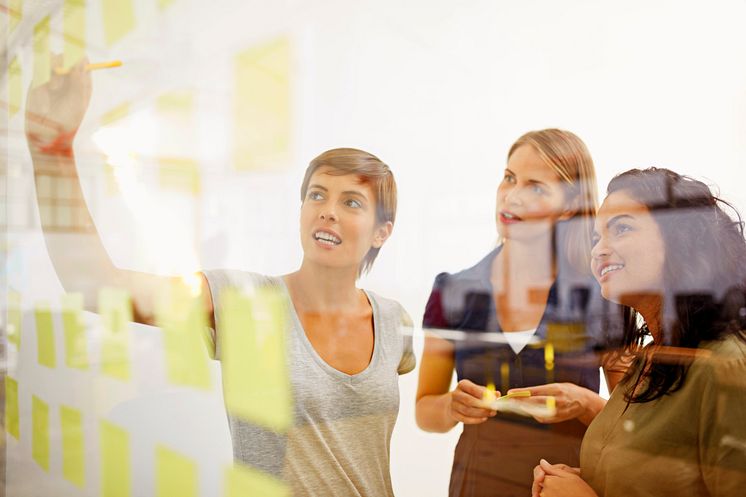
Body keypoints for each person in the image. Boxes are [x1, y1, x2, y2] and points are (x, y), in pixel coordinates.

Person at [26, 57, 415, 497]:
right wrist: (52, 149)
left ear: (382, 231)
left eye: (352, 202)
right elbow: (93, 285)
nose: (327, 208)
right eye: (317, 194)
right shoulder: (244, 300)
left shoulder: (393, 322)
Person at [415, 129, 626, 496]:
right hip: (476, 484)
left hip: (565, 485)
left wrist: (585, 403)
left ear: (570, 206)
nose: (511, 196)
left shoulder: (604, 294)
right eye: (509, 177)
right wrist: (452, 406)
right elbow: (424, 412)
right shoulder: (453, 291)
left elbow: (635, 424)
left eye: (535, 187)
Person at [532, 167, 746, 497]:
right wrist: (585, 479)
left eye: (622, 228)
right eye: (597, 237)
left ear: (682, 239)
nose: (598, 250)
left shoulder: (727, 368)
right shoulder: (648, 362)